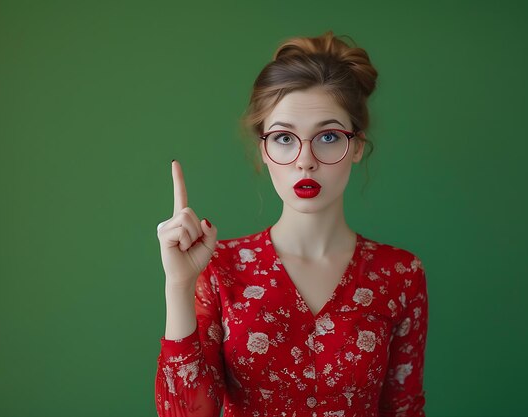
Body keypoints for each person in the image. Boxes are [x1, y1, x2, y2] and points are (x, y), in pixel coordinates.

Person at [154, 30, 429, 417]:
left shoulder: (400, 274)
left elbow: (404, 410)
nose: (305, 160)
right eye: (284, 138)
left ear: (357, 147)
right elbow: (186, 414)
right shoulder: (220, 269)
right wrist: (179, 285)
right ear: (263, 150)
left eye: (328, 136)